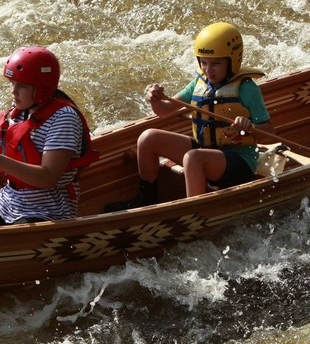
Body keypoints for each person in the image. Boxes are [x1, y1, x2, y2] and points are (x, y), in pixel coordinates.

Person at [105, 22, 273, 211]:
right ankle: (147, 200)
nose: (209, 69)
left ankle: (193, 212)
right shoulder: (199, 83)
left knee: (193, 158)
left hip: (238, 162)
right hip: (205, 152)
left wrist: (249, 126)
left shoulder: (247, 89)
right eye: (204, 62)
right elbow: (164, 110)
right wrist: (155, 99)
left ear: (232, 61)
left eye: (216, 63)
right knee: (148, 138)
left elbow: (268, 133)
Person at [0, 46, 98, 228]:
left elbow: (48, 177)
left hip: (48, 209)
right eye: (12, 84)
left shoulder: (64, 119)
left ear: (42, 88)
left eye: (22, 86)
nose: (13, 91)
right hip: (11, 198)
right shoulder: (24, 108)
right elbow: (14, 133)